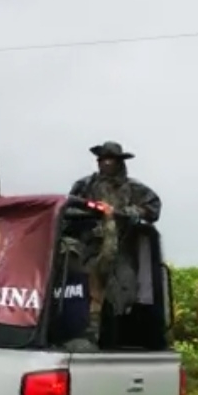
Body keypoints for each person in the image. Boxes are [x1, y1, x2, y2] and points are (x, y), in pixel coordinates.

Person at [63, 141, 161, 351]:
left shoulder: (133, 188)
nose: (106, 163)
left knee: (123, 295)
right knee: (86, 293)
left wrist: (128, 212)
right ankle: (88, 337)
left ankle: (115, 337)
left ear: (119, 162)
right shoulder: (85, 185)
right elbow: (67, 209)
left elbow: (153, 208)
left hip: (122, 248)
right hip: (90, 248)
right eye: (103, 159)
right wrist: (92, 213)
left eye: (111, 160)